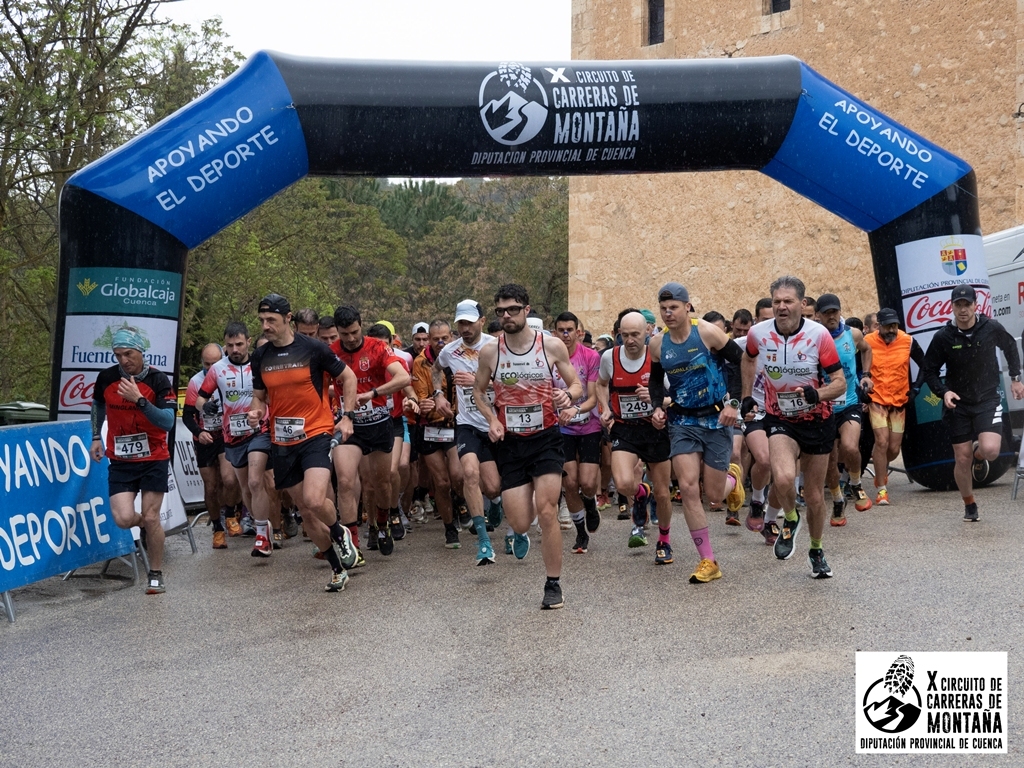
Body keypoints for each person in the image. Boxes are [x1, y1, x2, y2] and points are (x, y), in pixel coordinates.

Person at [474, 284, 582, 610]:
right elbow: (478, 392)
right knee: (521, 522)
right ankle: (526, 514)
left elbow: (576, 384)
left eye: (512, 309)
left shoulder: (550, 346)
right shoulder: (491, 352)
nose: (506, 316)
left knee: (547, 512)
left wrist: (568, 395)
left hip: (546, 438)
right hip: (511, 443)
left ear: (526, 310)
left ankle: (553, 584)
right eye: (500, 311)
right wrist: (492, 419)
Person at [248, 294, 359, 592]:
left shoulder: (314, 349)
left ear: (288, 318)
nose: (265, 326)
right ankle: (337, 569)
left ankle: (339, 532)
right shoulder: (260, 356)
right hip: (282, 441)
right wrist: (256, 411)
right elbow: (259, 396)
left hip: (316, 433)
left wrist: (347, 417)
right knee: (307, 512)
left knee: (314, 499)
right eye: (262, 320)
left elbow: (349, 378)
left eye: (271, 320)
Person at [742, 276, 846, 579]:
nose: (781, 307)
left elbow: (840, 383)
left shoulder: (819, 335)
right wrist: (746, 396)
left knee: (813, 495)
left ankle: (816, 550)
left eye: (788, 301)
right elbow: (748, 359)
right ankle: (790, 518)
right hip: (780, 418)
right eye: (777, 301)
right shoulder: (758, 333)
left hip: (817, 420)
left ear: (802, 303)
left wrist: (817, 394)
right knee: (784, 477)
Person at [648, 283, 745, 584]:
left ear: (687, 307)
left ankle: (733, 479)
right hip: (682, 422)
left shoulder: (707, 332)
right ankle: (708, 560)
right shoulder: (658, 344)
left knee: (714, 495)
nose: (668, 313)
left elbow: (740, 362)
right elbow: (655, 381)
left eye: (674, 307)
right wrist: (657, 407)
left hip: (716, 419)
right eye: (664, 309)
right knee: (689, 488)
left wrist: (734, 403)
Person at [921, 285, 1024, 522]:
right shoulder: (943, 337)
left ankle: (980, 455)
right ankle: (969, 504)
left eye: (967, 304)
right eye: (958, 305)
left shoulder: (991, 327)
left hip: (987, 399)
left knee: (990, 451)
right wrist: (944, 392)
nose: (963, 309)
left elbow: (1010, 347)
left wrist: (1016, 379)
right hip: (958, 404)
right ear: (952, 307)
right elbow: (929, 371)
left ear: (976, 305)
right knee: (962, 458)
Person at [89, 326, 176, 594]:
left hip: (153, 457)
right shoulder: (106, 378)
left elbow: (168, 422)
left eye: (128, 353)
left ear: (141, 351)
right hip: (122, 459)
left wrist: (139, 400)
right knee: (123, 518)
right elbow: (98, 404)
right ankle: (146, 526)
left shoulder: (158, 380)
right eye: (118, 355)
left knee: (151, 516)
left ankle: (156, 573)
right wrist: (96, 436)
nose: (124, 360)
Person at [330, 305, 411, 557]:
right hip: (348, 425)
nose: (351, 338)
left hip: (378, 423)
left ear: (361, 325)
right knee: (346, 481)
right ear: (337, 332)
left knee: (381, 483)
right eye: (344, 334)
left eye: (354, 332)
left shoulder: (377, 347)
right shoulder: (331, 352)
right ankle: (352, 545)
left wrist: (373, 393)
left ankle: (383, 525)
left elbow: (403, 378)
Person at [196, 322, 276, 557]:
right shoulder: (217, 369)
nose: (235, 349)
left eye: (239, 344)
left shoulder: (260, 364)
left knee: (255, 481)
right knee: (245, 488)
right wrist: (205, 406)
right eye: (230, 345)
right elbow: (199, 399)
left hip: (259, 431)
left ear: (248, 342)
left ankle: (261, 536)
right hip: (232, 436)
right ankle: (263, 526)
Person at [433, 300, 504, 561]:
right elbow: (435, 369)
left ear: (482, 321)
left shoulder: (496, 346)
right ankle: (483, 541)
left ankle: (495, 503)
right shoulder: (450, 350)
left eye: (469, 323)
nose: (465, 328)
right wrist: (438, 395)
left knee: (493, 487)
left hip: (494, 422)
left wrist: (477, 382)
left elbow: (511, 383)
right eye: (461, 323)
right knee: (469, 474)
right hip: (467, 424)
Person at [596, 311, 672, 550]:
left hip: (655, 429)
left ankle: (664, 540)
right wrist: (605, 408)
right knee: (622, 483)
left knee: (662, 493)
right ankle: (640, 493)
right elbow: (601, 383)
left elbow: (676, 396)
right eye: (625, 335)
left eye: (635, 335)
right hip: (624, 428)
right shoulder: (610, 357)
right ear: (619, 333)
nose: (630, 340)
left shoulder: (658, 357)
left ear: (647, 332)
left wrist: (657, 400)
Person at [814, 293, 873, 525]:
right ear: (818, 315)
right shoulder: (813, 338)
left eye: (834, 312)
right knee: (829, 461)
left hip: (849, 401)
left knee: (849, 446)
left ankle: (856, 484)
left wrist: (866, 374)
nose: (831, 316)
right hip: (824, 406)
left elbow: (867, 349)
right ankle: (838, 500)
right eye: (826, 313)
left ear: (840, 312)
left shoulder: (853, 334)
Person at [412, 320, 469, 551]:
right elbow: (422, 397)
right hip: (429, 427)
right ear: (429, 339)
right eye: (435, 339)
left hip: (455, 424)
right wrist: (424, 404)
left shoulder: (461, 356)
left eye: (444, 338)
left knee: (458, 475)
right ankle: (449, 527)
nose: (440, 343)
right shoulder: (420, 362)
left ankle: (461, 500)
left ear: (452, 337)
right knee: (442, 482)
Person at [861, 307, 925, 506]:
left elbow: (925, 364)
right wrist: (861, 388)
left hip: (899, 400)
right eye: (887, 326)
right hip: (876, 398)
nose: (891, 330)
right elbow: (855, 366)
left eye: (894, 326)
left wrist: (916, 388)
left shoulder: (908, 341)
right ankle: (882, 489)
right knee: (881, 442)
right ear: (878, 325)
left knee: (894, 448)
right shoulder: (867, 341)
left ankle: (881, 470)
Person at [552, 311, 603, 554]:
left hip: (589, 425)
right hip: (562, 428)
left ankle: (590, 502)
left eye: (569, 330)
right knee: (570, 483)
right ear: (554, 333)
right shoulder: (549, 358)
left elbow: (593, 398)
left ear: (578, 332)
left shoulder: (591, 356)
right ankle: (581, 532)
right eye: (561, 330)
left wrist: (574, 409)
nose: (565, 335)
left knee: (588, 483)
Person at [182, 342, 239, 549]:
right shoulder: (195, 382)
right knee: (211, 486)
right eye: (207, 364)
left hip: (225, 435)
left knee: (229, 479)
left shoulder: (230, 375)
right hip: (205, 438)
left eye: (215, 363)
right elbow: (187, 416)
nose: (211, 368)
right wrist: (199, 432)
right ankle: (217, 529)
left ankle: (230, 514)